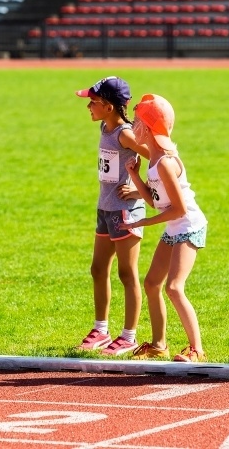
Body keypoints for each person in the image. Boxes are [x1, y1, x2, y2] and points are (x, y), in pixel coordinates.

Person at [123, 94, 208, 363]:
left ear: (147, 128)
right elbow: (157, 201)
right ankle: (159, 345)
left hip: (188, 226)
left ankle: (197, 350)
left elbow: (180, 209)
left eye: (136, 122)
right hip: (174, 227)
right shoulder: (154, 160)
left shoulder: (166, 163)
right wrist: (135, 176)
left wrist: (145, 222)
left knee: (174, 287)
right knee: (151, 283)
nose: (132, 126)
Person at [74, 77, 150, 356]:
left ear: (107, 106)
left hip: (125, 210)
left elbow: (160, 158)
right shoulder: (105, 127)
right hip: (105, 208)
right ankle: (101, 330)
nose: (88, 107)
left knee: (126, 273)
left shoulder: (125, 134)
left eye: (92, 102)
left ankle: (129, 335)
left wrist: (142, 191)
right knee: (98, 269)